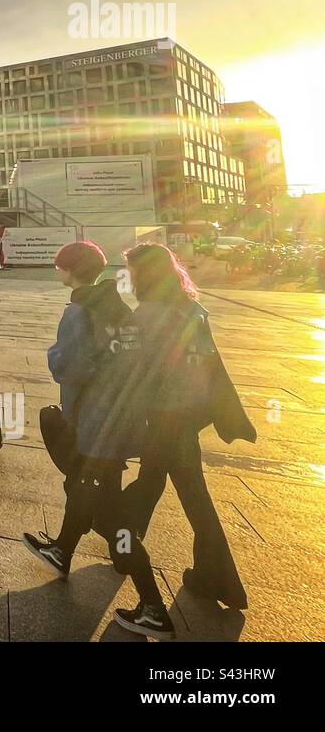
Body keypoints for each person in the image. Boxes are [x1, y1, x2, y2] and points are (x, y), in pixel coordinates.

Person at [22, 239, 176, 638]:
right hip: (121, 420)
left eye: (60, 266)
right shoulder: (120, 308)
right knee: (84, 486)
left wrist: (52, 356)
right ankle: (60, 550)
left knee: (110, 515)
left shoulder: (79, 312)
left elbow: (69, 366)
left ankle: (153, 606)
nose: (57, 272)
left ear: (71, 271)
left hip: (95, 423)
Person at [119, 243, 255, 612]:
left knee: (175, 491)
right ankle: (212, 576)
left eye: (130, 271)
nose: (127, 277)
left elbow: (133, 370)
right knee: (163, 485)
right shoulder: (191, 308)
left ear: (144, 274)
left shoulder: (148, 315)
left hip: (164, 416)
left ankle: (124, 545)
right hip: (187, 414)